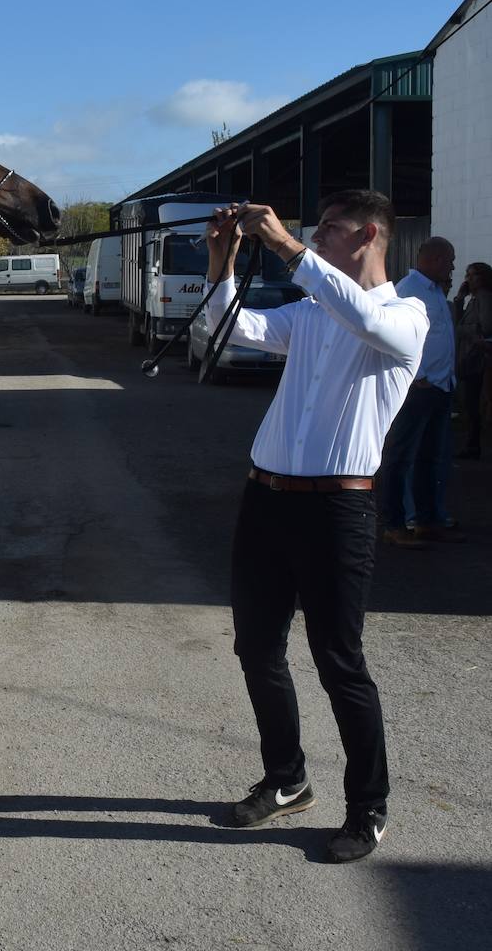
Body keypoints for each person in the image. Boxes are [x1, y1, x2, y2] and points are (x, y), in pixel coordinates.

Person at [202, 190, 428, 863]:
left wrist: (284, 244)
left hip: (337, 510)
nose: (316, 234)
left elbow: (363, 315)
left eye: (330, 227)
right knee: (256, 647)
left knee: (339, 660)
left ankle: (369, 807)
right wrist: (222, 261)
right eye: (315, 228)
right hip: (266, 499)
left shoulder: (406, 315)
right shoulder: (310, 312)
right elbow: (232, 330)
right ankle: (287, 778)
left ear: (368, 235)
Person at [379, 238, 462, 547]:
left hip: (441, 387)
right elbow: (393, 337)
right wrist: (418, 377)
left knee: (430, 458)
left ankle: (427, 522)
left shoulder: (435, 291)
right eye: (450, 261)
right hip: (418, 390)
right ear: (436, 259)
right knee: (401, 457)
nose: (452, 267)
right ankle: (394, 524)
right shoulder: (408, 290)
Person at [454, 261, 492, 458]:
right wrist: (459, 299)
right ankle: (472, 443)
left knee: (473, 403)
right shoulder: (474, 299)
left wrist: (464, 330)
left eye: (472, 275)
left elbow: (486, 327)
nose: (468, 279)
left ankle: (473, 445)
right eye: (467, 275)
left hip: (478, 359)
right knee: (469, 403)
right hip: (469, 357)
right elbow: (458, 321)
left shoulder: (484, 298)